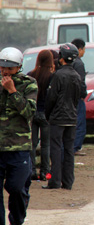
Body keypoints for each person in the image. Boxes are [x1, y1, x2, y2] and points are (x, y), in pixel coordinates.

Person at [0, 47, 37, 224]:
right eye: (2, 68)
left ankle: (17, 220)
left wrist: (12, 91)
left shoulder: (29, 84)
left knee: (16, 188)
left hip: (19, 146)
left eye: (10, 68)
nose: (6, 71)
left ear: (19, 67)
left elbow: (29, 112)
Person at [43, 44, 81, 190]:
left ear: (62, 58)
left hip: (58, 118)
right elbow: (77, 98)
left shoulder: (58, 75)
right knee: (69, 150)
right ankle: (68, 182)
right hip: (71, 117)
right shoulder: (76, 76)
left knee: (56, 149)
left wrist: (48, 114)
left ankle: (55, 182)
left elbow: (51, 98)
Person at [28, 50, 54, 181]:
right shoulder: (51, 76)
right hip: (46, 114)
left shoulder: (31, 75)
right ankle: (45, 171)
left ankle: (31, 170)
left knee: (32, 144)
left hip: (32, 114)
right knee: (46, 144)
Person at [71, 38, 88, 156]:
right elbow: (81, 82)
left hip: (67, 97)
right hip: (77, 98)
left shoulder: (67, 61)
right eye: (84, 49)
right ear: (80, 49)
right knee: (80, 123)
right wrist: (83, 94)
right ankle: (76, 147)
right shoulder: (79, 63)